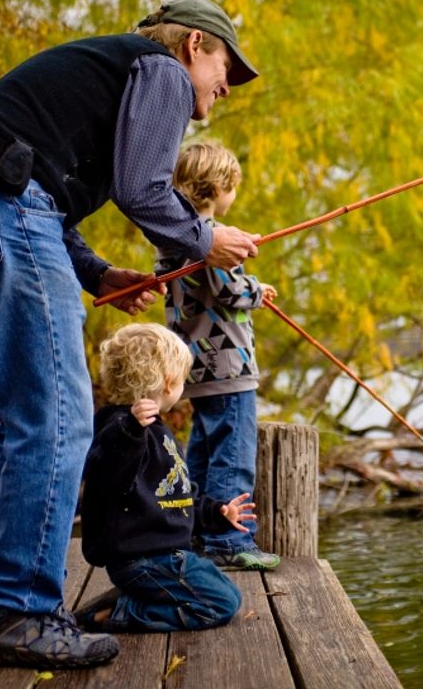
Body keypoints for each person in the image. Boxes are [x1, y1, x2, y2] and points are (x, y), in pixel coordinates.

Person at [0, 0, 260, 669]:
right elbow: (141, 188)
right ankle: (21, 613)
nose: (226, 83)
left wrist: (97, 275)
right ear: (192, 46)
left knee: (26, 418)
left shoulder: (106, 76)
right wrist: (205, 238)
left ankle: (15, 604)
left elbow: (36, 186)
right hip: (0, 205)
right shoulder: (158, 69)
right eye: (225, 64)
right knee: (58, 420)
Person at [75, 323, 249, 632]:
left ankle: (124, 601)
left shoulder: (159, 431)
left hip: (166, 556)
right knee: (221, 604)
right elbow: (106, 475)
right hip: (141, 559)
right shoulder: (118, 430)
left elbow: (178, 494)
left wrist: (217, 512)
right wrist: (130, 432)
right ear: (169, 383)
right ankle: (118, 614)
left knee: (229, 591)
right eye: (183, 379)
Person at [157, 142, 280, 570]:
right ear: (219, 187)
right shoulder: (213, 240)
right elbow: (228, 289)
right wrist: (257, 291)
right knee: (233, 453)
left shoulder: (173, 240)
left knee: (203, 452)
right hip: (228, 365)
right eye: (233, 188)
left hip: (195, 365)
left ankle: (195, 530)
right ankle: (229, 538)